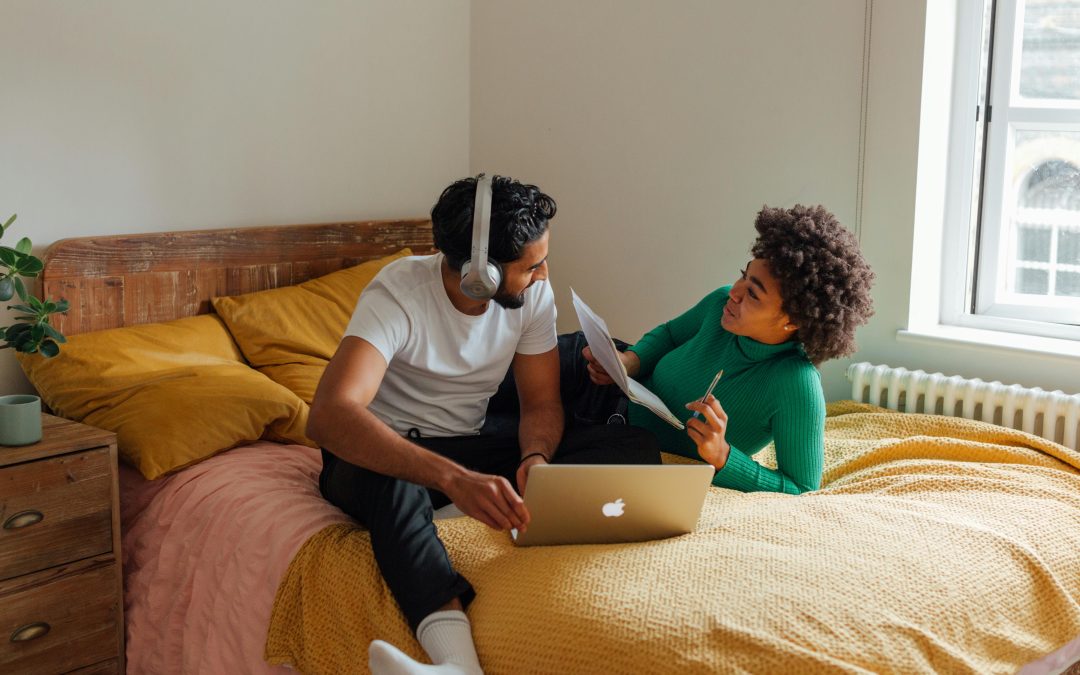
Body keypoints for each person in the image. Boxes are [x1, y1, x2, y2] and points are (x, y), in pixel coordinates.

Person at [308, 174, 660, 675]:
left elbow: (540, 403)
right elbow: (329, 414)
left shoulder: (532, 297)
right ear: (482, 273)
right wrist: (452, 479)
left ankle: (456, 508)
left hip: (469, 443)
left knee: (632, 446)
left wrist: (535, 458)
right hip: (380, 454)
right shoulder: (398, 292)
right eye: (532, 265)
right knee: (398, 484)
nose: (544, 274)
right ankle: (456, 664)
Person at [582, 204, 875, 495]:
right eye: (743, 275)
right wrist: (629, 361)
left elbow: (801, 486)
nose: (734, 292)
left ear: (792, 321)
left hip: (617, 436)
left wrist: (723, 456)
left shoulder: (796, 385)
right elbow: (671, 335)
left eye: (753, 293)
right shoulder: (720, 303)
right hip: (603, 389)